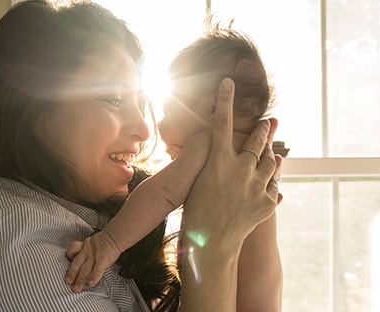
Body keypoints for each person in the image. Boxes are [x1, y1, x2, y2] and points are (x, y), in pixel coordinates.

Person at [0, 1, 281, 311]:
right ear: (27, 107)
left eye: (139, 102)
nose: (144, 129)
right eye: (113, 99)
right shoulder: (27, 263)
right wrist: (215, 250)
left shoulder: (80, 220)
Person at [64, 21, 283, 311]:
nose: (156, 124)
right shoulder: (251, 159)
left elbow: (161, 194)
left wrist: (109, 243)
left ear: (212, 108)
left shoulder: (209, 145)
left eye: (168, 108)